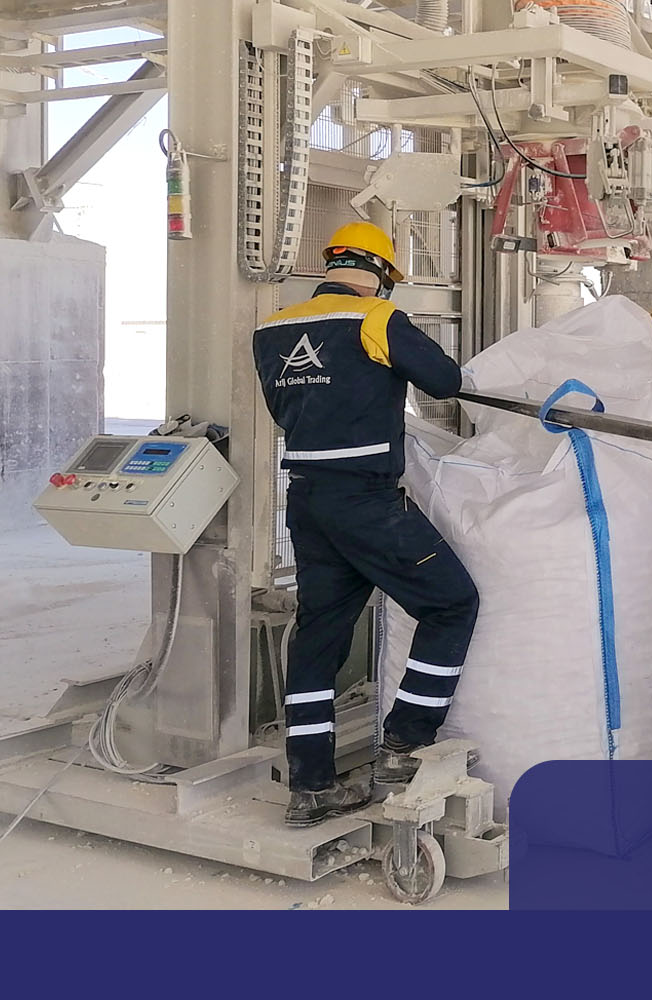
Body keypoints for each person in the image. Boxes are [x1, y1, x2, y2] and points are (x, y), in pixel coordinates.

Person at [253, 221, 480, 827]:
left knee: (319, 637)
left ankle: (311, 787)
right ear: (382, 275)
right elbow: (447, 382)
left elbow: (284, 409)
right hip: (369, 503)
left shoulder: (271, 328)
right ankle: (403, 746)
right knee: (452, 603)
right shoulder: (378, 319)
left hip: (305, 501)